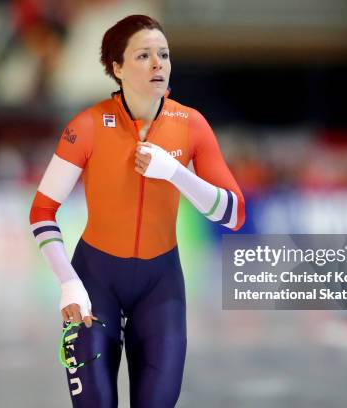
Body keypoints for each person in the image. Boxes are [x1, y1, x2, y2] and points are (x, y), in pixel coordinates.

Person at [29, 15, 245, 408]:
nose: (158, 64)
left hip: (160, 287)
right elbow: (43, 211)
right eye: (144, 55)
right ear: (117, 67)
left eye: (163, 54)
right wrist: (68, 282)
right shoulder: (88, 125)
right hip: (95, 283)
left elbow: (233, 214)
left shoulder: (191, 125)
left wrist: (177, 173)